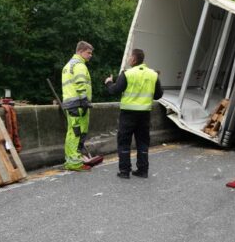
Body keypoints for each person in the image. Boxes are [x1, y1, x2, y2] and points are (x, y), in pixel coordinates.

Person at [105, 48, 163, 179]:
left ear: (134, 59)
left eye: (129, 57)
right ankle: (143, 170)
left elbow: (115, 90)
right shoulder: (153, 74)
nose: (128, 59)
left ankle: (125, 171)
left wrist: (108, 83)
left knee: (124, 141)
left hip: (128, 114)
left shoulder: (127, 74)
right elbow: (159, 95)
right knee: (142, 142)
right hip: (144, 114)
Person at [61, 41, 95, 171]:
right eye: (88, 52)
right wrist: (85, 100)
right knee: (78, 133)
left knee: (72, 132)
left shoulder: (68, 65)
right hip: (79, 104)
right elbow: (80, 83)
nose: (90, 55)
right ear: (80, 51)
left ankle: (71, 160)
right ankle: (75, 162)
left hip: (71, 104)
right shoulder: (80, 65)